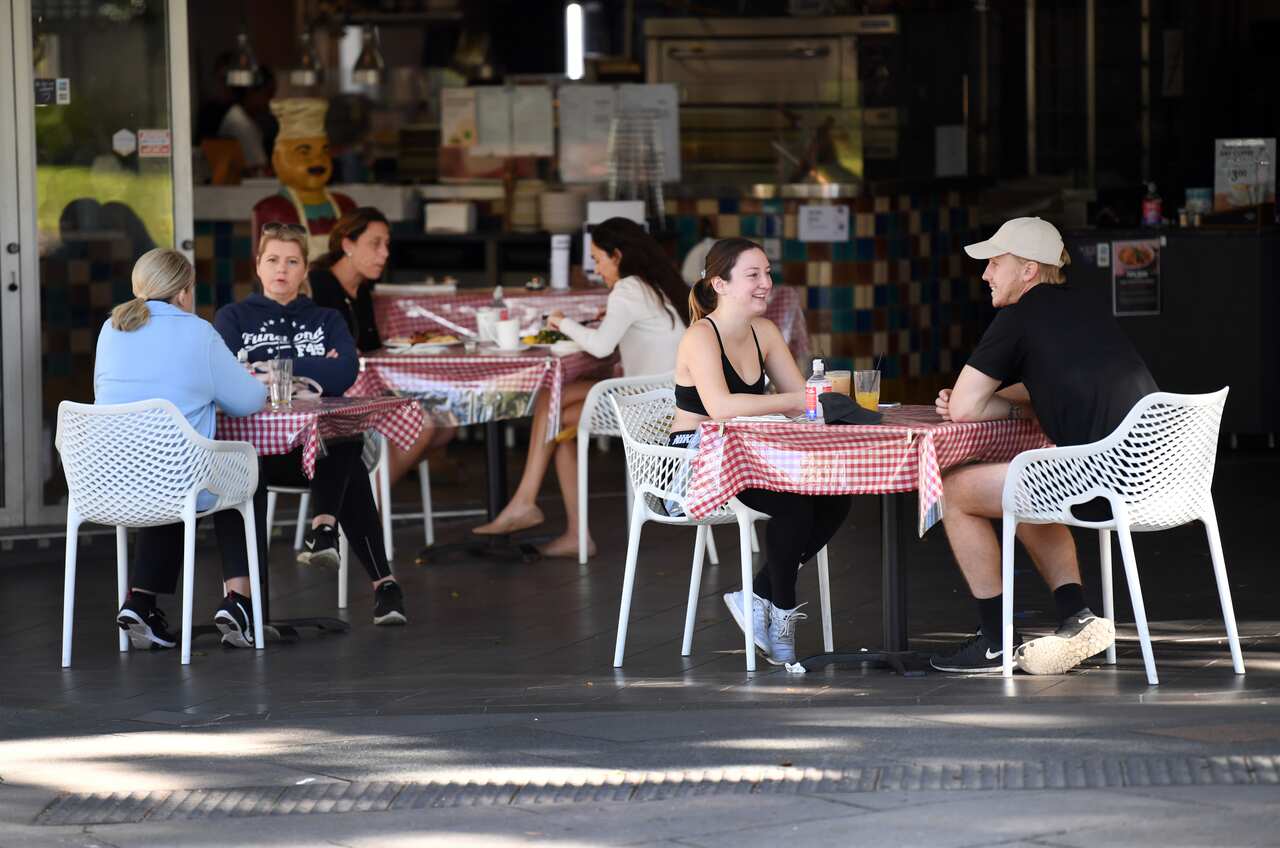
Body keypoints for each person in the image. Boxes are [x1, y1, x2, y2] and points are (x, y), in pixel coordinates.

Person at [930, 216, 1155, 674]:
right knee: (1026, 473)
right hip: (1158, 474)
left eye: (995, 263)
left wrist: (986, 402)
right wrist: (1001, 403)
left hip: (1106, 482)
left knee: (953, 490)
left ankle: (995, 640)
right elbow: (1049, 388)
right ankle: (1077, 615)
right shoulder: (1085, 306)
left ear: (1028, 270)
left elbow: (964, 409)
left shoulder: (1018, 317)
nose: (985, 275)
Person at [214, 222, 407, 626]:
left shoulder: (326, 316)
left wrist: (268, 368)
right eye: (272, 260)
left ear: (305, 270)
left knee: (340, 431)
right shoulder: (233, 317)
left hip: (318, 457)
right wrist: (311, 370)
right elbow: (227, 376)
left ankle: (323, 535)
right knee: (345, 452)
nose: (281, 269)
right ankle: (377, 578)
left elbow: (344, 375)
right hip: (260, 454)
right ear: (258, 266)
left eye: (291, 261)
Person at [670, 237, 851, 665]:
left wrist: (814, 401)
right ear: (721, 284)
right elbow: (722, 408)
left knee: (836, 495)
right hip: (692, 464)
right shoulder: (701, 336)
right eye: (753, 275)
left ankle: (758, 596)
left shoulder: (765, 331)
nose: (765, 283)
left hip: (748, 456)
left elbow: (802, 400)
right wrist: (794, 402)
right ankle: (782, 618)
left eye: (767, 273)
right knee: (793, 505)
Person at [473, 217, 689, 557]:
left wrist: (561, 321)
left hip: (646, 409)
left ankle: (530, 505)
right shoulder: (658, 286)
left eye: (598, 259)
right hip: (667, 401)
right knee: (554, 409)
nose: (597, 269)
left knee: (554, 412)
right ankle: (556, 522)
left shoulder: (628, 289)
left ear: (617, 255)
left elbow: (601, 348)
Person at [96, 249, 267, 649]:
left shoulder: (110, 330)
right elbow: (249, 400)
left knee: (170, 469)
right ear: (185, 292)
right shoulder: (198, 332)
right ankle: (239, 600)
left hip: (107, 481)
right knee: (240, 472)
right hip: (174, 482)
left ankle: (140, 601)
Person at [309, 207, 454, 485]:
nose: (385, 254)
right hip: (330, 399)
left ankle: (364, 497)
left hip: (367, 392)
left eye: (386, 244)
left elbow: (370, 347)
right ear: (347, 244)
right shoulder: (319, 285)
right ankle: (365, 509)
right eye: (375, 244)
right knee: (423, 424)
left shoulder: (361, 289)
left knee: (446, 426)